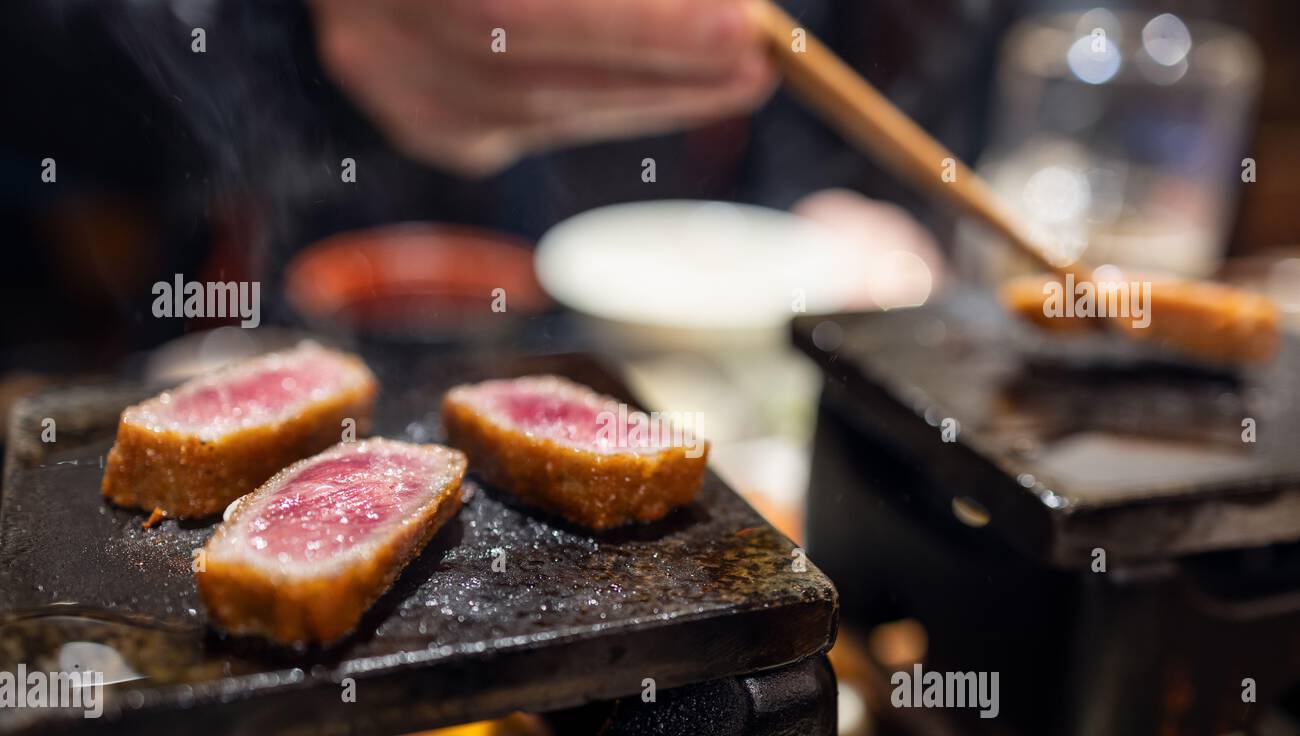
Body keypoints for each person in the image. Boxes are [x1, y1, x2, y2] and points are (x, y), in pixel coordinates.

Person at [1, 0, 1012, 368]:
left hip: (678, 366)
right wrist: (295, 43)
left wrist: (825, 197)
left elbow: (809, 49)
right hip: (298, 318)